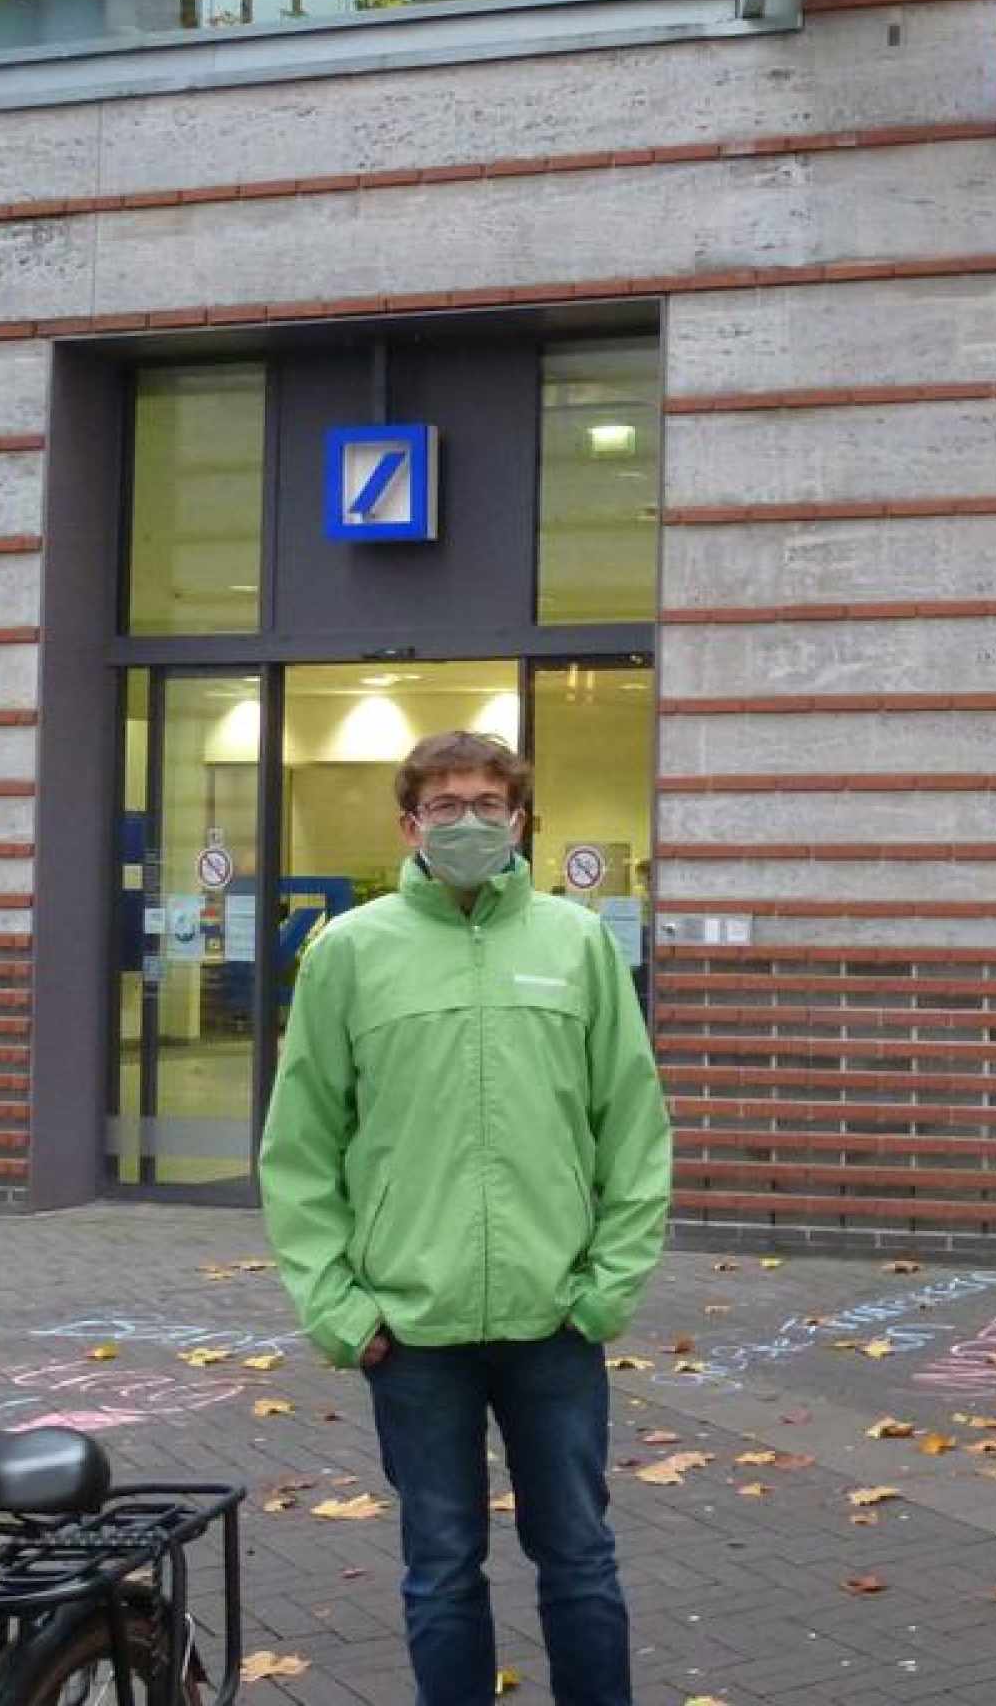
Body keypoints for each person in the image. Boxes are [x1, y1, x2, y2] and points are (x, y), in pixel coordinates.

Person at [260, 731, 669, 1706]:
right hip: (412, 1328)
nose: (469, 822)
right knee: (441, 1570)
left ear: (519, 820)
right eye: (445, 806)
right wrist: (339, 1310)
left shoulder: (576, 944)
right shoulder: (349, 952)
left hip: (554, 1318)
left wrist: (607, 1289)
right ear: (410, 824)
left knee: (579, 1559)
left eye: (489, 803)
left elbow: (632, 1125)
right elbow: (300, 1146)